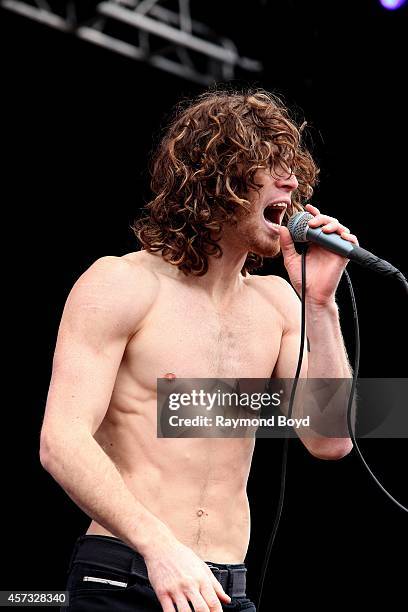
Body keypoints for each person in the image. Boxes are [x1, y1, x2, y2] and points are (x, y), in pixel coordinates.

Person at [40, 89, 358, 612]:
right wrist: (159, 544)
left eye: (293, 167)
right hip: (126, 569)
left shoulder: (278, 302)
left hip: (224, 584)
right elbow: (61, 440)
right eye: (270, 165)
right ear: (219, 179)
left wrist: (319, 304)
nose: (294, 183)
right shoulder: (122, 283)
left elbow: (330, 440)